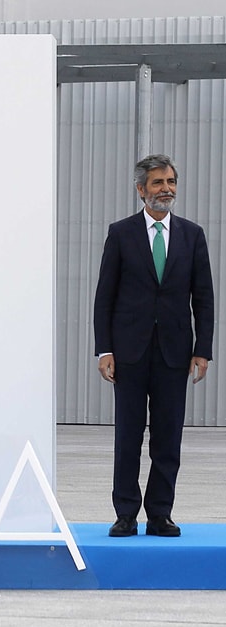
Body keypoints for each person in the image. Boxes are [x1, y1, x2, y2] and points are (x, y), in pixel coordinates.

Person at [93, 154, 214, 538]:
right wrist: (104, 349)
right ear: (141, 189)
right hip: (129, 352)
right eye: (159, 183)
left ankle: (160, 513)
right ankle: (126, 512)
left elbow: (204, 298)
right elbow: (104, 297)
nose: (167, 189)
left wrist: (203, 349)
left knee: (168, 436)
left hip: (174, 353)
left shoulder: (192, 235)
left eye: (172, 182)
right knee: (128, 435)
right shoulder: (121, 233)